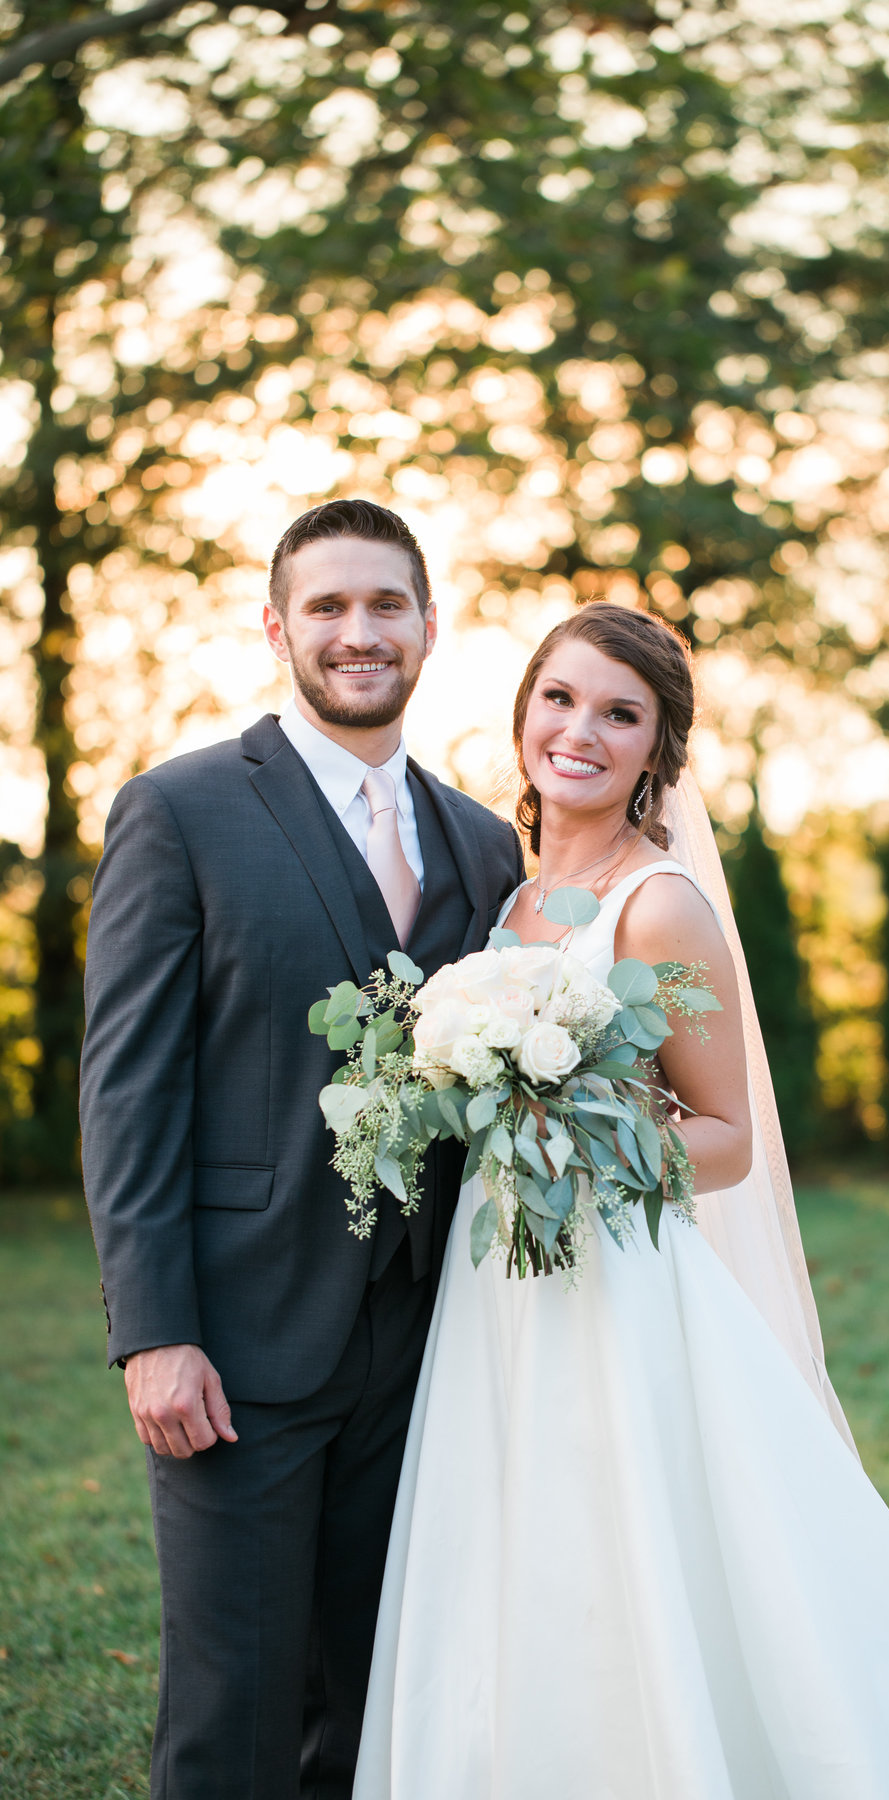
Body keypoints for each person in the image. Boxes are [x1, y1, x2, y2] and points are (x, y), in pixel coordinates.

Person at [352, 603, 889, 1799]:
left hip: (620, 1288)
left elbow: (729, 1139)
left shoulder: (661, 903)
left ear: (656, 755)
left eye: (620, 715)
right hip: (501, 1287)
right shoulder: (514, 898)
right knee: (520, 1554)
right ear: (525, 710)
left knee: (638, 1548)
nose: (580, 730)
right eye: (561, 698)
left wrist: (575, 1125)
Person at [79, 498, 525, 1800]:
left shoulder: (482, 841)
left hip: (429, 1352)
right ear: (276, 627)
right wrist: (153, 1330)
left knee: (377, 1698)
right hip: (239, 1347)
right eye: (327, 605)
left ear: (430, 628)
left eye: (386, 603)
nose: (358, 630)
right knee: (235, 1709)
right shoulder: (182, 811)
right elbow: (127, 1090)